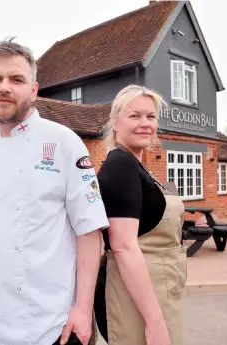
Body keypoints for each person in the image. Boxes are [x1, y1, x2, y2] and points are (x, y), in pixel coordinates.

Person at [0, 38, 109, 345]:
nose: (4, 86)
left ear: (33, 91)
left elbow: (89, 233)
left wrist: (83, 309)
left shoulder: (64, 143)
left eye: (16, 79)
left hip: (50, 326)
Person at [93, 85, 187, 345]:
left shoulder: (137, 166)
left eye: (150, 116)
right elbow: (123, 246)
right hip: (136, 299)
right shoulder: (120, 166)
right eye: (135, 116)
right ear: (115, 122)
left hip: (157, 288)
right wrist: (154, 321)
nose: (145, 123)